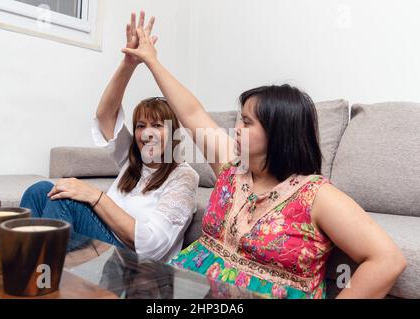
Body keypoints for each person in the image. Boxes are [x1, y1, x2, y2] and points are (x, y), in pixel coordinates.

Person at [120, 12, 407, 298]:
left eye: (246, 121)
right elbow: (192, 112)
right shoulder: (232, 169)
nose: (236, 128)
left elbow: (387, 260)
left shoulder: (316, 196)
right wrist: (151, 61)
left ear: (277, 133)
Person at [20, 12, 199, 262]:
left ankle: (45, 277)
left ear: (173, 133)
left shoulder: (184, 176)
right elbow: (105, 116)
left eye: (157, 125)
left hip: (131, 259)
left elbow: (150, 246)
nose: (146, 133)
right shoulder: (132, 159)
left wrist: (95, 196)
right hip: (103, 238)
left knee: (67, 201)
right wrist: (128, 63)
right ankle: (22, 266)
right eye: (140, 125)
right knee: (40, 190)